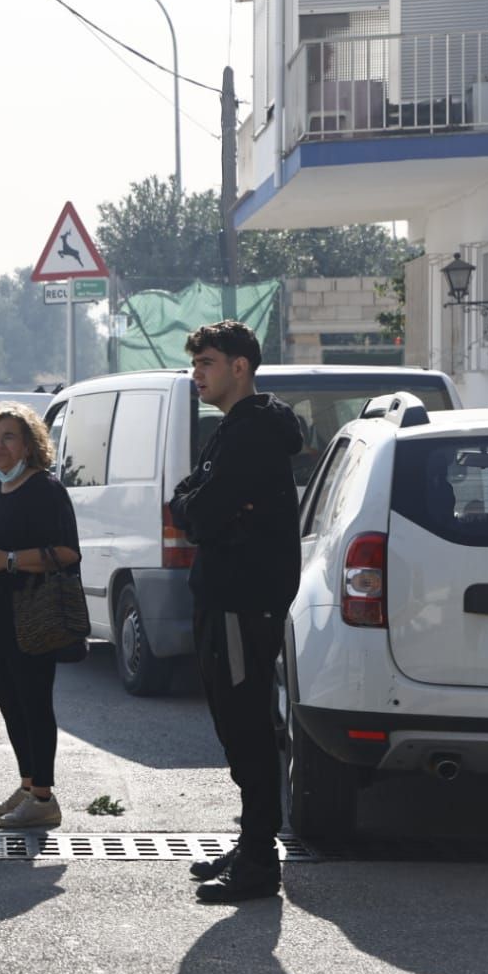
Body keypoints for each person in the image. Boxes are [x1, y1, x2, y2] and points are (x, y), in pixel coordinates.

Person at [170, 320, 303, 904]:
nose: (197, 373)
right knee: (233, 724)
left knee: (246, 727)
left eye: (207, 363)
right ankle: (253, 841)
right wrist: (197, 501)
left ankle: (258, 864)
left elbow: (201, 511)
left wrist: (198, 502)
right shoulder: (235, 430)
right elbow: (190, 502)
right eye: (195, 363)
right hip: (226, 595)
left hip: (242, 600)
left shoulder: (251, 435)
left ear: (239, 367)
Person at [0, 403, 81, 831]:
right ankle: (28, 786)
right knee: (9, 702)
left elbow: (66, 553)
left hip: (33, 617)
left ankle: (44, 797)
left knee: (34, 705)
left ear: (29, 444)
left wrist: (7, 560)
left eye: (9, 437)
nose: (0, 445)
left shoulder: (45, 489)